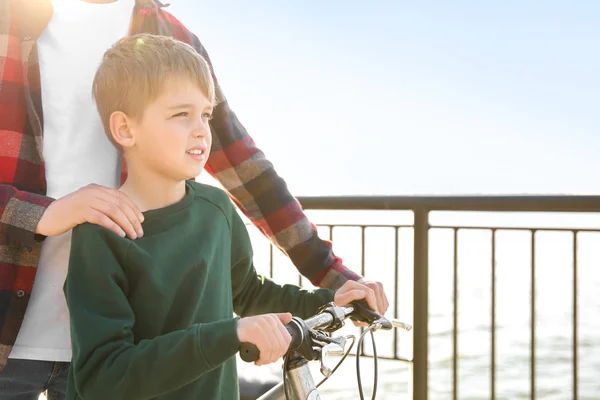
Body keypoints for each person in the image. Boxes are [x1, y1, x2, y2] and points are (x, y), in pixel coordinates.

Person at [0, 1, 389, 399]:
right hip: (16, 336)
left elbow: (248, 181)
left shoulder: (174, 41)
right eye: (183, 115)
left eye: (204, 114)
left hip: (136, 356)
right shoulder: (9, 18)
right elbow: (107, 372)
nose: (201, 129)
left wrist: (337, 288)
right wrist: (40, 215)